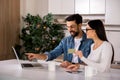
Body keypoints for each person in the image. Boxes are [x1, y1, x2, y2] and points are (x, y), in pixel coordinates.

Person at [26, 14, 93, 68]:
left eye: (72, 27)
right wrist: (37, 56)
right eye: (68, 27)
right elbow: (53, 54)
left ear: (80, 25)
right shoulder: (66, 41)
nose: (70, 29)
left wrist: (76, 65)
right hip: (68, 71)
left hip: (84, 73)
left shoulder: (90, 41)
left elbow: (93, 63)